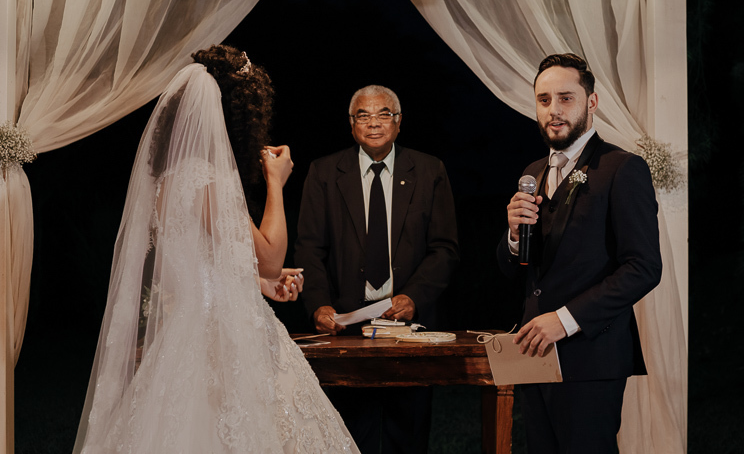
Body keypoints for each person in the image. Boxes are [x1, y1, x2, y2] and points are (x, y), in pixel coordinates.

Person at [74, 45, 359, 453]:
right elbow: (272, 255)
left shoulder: (164, 184)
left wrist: (259, 283)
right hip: (226, 339)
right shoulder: (206, 179)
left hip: (184, 335)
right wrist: (276, 182)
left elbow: (193, 268)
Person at [500, 53, 663, 454]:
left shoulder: (622, 168)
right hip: (535, 356)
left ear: (591, 102)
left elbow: (643, 268)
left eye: (565, 98)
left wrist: (566, 320)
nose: (553, 110)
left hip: (592, 357)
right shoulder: (534, 170)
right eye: (543, 100)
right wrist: (513, 235)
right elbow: (516, 272)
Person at [295, 85, 459, 454]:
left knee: (409, 436)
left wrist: (414, 297)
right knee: (351, 436)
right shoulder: (323, 172)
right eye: (363, 116)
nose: (373, 123)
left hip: (411, 331)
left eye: (383, 114)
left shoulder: (429, 170)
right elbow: (309, 248)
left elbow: (444, 248)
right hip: (346, 329)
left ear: (398, 122)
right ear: (351, 125)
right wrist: (318, 306)